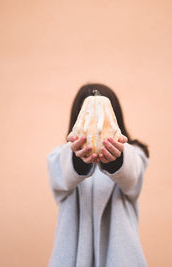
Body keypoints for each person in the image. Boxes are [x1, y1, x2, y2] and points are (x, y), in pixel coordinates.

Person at [46, 83, 150, 267]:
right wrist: (78, 159)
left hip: (120, 257)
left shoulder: (134, 154)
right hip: (72, 257)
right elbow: (61, 177)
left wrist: (116, 160)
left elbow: (132, 177)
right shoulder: (60, 156)